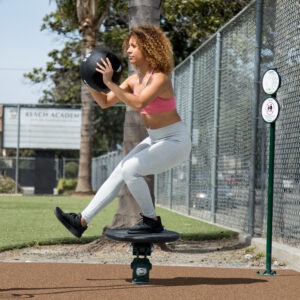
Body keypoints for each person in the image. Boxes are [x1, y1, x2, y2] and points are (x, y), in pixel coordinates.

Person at [54, 25, 191, 238]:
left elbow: (139, 102)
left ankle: (151, 220)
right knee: (120, 170)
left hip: (175, 141)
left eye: (134, 46)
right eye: (129, 46)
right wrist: (89, 78)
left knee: (130, 169)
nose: (128, 50)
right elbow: (105, 101)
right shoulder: (133, 80)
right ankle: (81, 221)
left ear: (149, 48)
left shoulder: (160, 78)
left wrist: (109, 81)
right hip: (155, 139)